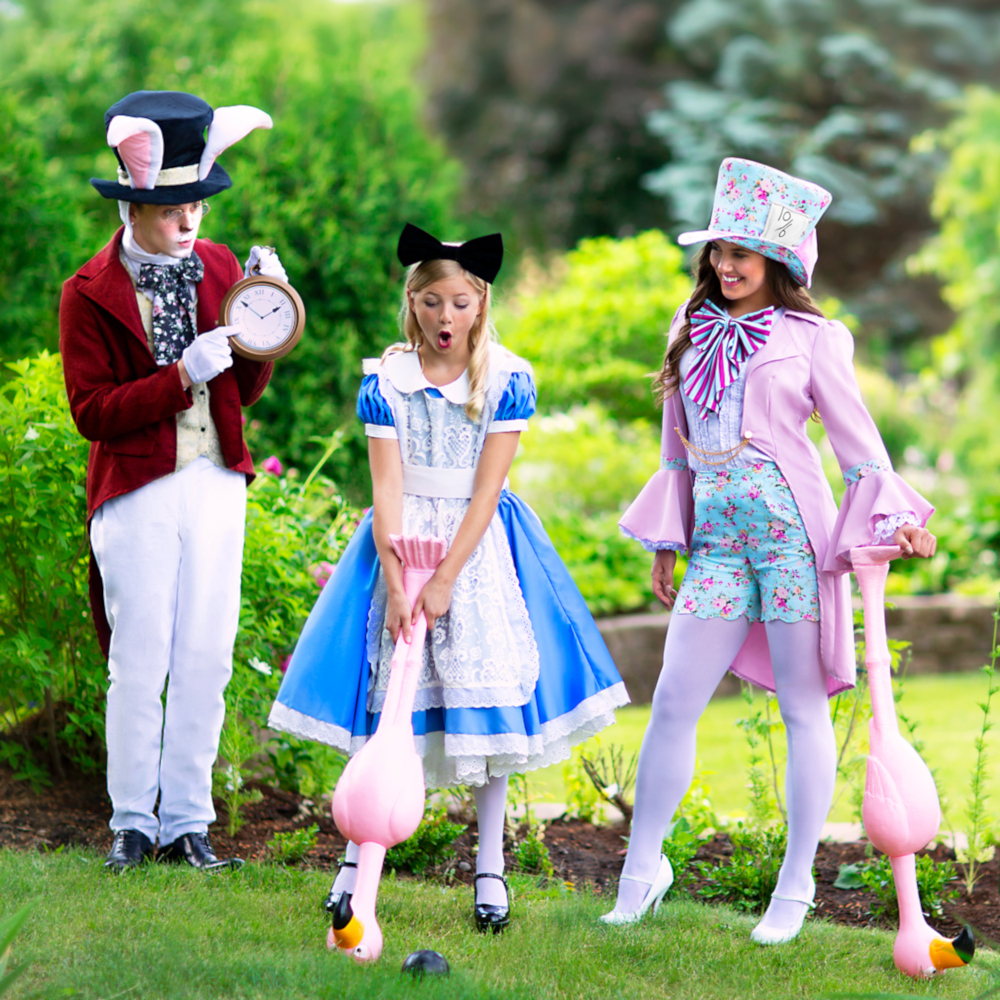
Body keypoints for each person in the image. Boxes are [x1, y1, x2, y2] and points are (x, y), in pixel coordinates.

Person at [602, 159, 936, 944]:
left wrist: (898, 525)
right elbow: (676, 453)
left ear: (778, 261)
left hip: (795, 545)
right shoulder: (688, 331)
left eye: (740, 253)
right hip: (716, 549)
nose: (725, 264)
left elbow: (861, 451)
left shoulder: (816, 339)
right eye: (718, 251)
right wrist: (667, 541)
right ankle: (642, 870)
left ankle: (793, 891)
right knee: (674, 700)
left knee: (800, 706)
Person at [269, 223, 629, 932]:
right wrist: (402, 583)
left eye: (460, 302)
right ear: (414, 301)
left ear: (481, 302)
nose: (445, 318)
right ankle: (354, 860)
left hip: (476, 547)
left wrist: (445, 580)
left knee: (483, 702)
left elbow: (488, 493)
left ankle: (489, 868)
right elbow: (386, 491)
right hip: (401, 545)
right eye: (432, 301)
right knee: (389, 702)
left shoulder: (506, 380)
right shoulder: (387, 383)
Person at [60, 90, 287, 871]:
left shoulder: (216, 264)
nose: (190, 222)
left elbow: (245, 393)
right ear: (134, 205)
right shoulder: (87, 292)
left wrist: (263, 322)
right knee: (141, 655)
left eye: (196, 204)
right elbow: (91, 412)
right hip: (136, 484)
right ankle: (131, 820)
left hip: (218, 476)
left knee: (207, 652)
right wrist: (175, 378)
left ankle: (189, 821)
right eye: (172, 209)